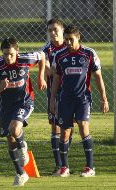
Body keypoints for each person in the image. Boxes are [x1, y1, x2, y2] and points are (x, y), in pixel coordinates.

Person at [50, 25, 109, 177]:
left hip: (83, 98)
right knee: (64, 133)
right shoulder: (59, 55)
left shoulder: (89, 54)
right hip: (65, 99)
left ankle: (90, 167)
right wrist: (52, 99)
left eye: (71, 39)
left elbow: (98, 77)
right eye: (67, 39)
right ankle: (64, 168)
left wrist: (104, 98)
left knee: (83, 127)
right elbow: (56, 78)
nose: (68, 43)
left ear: (78, 37)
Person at [0, 37, 47, 186]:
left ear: (17, 51)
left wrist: (41, 77)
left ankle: (23, 147)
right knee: (10, 138)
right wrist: (0, 86)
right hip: (5, 107)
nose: (8, 57)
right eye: (5, 54)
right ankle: (21, 173)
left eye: (11, 54)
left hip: (24, 102)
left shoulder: (26, 58)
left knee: (14, 128)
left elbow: (42, 56)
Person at [41, 18, 73, 176]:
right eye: (50, 30)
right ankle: (59, 165)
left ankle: (65, 164)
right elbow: (48, 70)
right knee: (55, 126)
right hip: (54, 92)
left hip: (71, 92)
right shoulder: (46, 50)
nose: (52, 33)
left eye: (55, 30)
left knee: (69, 127)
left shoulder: (70, 45)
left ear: (62, 30)